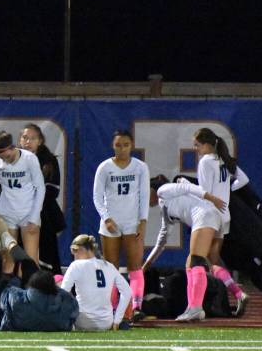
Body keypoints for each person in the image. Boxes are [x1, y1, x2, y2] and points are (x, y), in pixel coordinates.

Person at [141, 175, 227, 322]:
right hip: (209, 216)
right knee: (190, 264)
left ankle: (196, 308)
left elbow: (188, 187)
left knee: (196, 261)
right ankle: (193, 307)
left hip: (205, 214)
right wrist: (146, 265)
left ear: (152, 189)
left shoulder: (163, 189)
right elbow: (162, 240)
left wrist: (211, 198)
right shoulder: (165, 207)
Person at [92, 129, 150, 321]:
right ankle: (113, 307)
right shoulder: (105, 167)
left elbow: (144, 195)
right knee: (111, 267)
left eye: (126, 145)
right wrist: (106, 218)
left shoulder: (140, 167)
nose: (122, 149)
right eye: (118, 145)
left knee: (135, 266)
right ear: (113, 145)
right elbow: (97, 197)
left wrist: (143, 221)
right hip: (111, 223)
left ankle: (136, 307)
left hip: (132, 222)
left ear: (132, 145)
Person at [193, 127, 250, 315]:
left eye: (197, 145)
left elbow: (204, 191)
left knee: (201, 260)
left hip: (211, 215)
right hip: (225, 215)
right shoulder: (223, 160)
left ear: (206, 144)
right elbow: (243, 179)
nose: (196, 149)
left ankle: (224, 296)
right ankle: (230, 296)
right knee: (213, 259)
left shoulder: (205, 162)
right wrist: (227, 191)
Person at [0, 130, 45, 275]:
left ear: (12, 147)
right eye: (0, 156)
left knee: (31, 261)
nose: (4, 160)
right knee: (8, 261)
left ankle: (30, 289)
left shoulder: (29, 159)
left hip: (28, 213)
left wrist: (34, 217)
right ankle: (10, 289)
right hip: (7, 214)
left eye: (6, 156)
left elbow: (40, 188)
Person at [19, 123, 65, 274]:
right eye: (25, 137)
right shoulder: (11, 159)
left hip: (43, 213)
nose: (28, 142)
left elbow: (53, 190)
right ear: (20, 140)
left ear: (40, 141)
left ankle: (46, 281)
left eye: (33, 138)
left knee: (45, 252)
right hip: (16, 211)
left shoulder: (49, 161)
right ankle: (13, 281)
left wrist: (34, 206)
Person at [61, 234, 131, 331]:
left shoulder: (75, 265)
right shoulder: (109, 266)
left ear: (84, 249)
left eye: (75, 250)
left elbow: (63, 292)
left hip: (82, 322)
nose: (74, 255)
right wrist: (117, 320)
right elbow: (127, 292)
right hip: (106, 323)